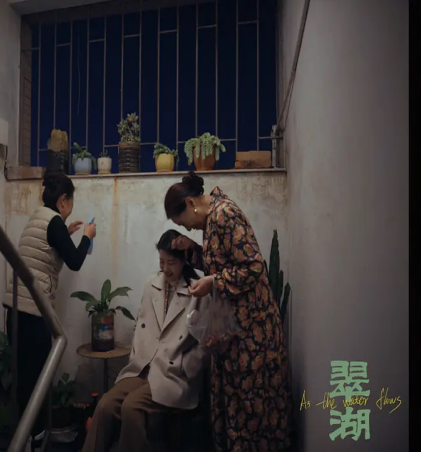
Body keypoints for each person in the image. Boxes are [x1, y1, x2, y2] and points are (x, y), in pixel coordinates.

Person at [163, 172, 292, 452]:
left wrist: (213, 283)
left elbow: (253, 267)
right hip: (234, 333)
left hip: (253, 334)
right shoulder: (211, 220)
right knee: (236, 409)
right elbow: (221, 261)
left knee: (253, 412)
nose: (188, 228)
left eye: (182, 222)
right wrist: (191, 249)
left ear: (191, 204)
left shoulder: (225, 215)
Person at [82, 229, 210, 452]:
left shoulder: (197, 291)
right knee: (105, 405)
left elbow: (204, 344)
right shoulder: (152, 285)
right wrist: (138, 353)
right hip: (143, 367)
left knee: (132, 408)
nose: (165, 268)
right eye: (161, 261)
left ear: (184, 261)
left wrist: (185, 368)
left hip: (173, 374)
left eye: (171, 262)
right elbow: (140, 325)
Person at [3, 172, 96, 443]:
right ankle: (35, 439)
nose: (69, 211)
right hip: (33, 316)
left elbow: (47, 254)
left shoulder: (39, 218)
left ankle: (23, 440)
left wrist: (66, 233)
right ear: (63, 200)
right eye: (70, 205)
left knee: (25, 382)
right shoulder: (54, 221)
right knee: (38, 382)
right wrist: (87, 236)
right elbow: (75, 261)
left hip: (16, 311)